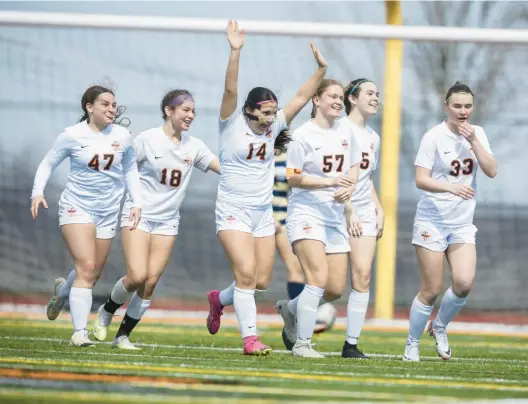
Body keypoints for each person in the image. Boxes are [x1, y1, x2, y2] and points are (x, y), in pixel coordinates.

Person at [205, 20, 329, 356]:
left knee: (258, 282)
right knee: (245, 274)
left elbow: (302, 98)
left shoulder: (274, 128)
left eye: (274, 113)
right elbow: (230, 90)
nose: (271, 118)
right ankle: (250, 339)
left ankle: (219, 299)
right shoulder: (231, 124)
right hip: (232, 210)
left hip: (262, 214)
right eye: (265, 113)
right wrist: (235, 51)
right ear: (249, 110)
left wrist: (321, 70)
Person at [90, 89, 220, 350]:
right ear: (168, 111)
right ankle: (106, 310)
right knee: (137, 275)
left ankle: (122, 336)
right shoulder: (147, 140)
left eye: (193, 111)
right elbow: (122, 168)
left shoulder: (194, 146)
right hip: (139, 215)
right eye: (185, 110)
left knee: (150, 282)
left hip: (167, 222)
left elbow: (224, 169)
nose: (190, 115)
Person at [31, 85, 142, 347]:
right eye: (105, 104)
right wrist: (37, 192)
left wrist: (137, 202)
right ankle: (79, 333)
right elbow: (48, 163)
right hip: (76, 207)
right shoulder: (72, 135)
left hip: (107, 212)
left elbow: (130, 170)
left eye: (114, 105)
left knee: (92, 274)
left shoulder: (123, 137)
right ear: (89, 107)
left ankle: (64, 290)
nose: (111, 109)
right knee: (86, 267)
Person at [403, 82, 497, 362]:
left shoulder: (477, 133)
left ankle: (440, 326)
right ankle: (412, 344)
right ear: (447, 106)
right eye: (457, 106)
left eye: (468, 106)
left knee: (463, 283)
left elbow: (491, 170)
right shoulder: (433, 137)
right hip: (432, 220)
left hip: (462, 224)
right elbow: (421, 179)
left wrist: (475, 143)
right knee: (431, 289)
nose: (463, 111)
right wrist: (450, 188)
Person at [276, 79, 362, 358]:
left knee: (335, 289)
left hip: (335, 215)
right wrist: (328, 183)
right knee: (317, 278)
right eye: (332, 96)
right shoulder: (302, 135)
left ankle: (290, 309)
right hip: (306, 212)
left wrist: (349, 191)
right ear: (316, 99)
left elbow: (353, 167)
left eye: (341, 97)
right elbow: (293, 176)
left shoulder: (347, 131)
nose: (338, 101)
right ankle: (302, 343)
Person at [338, 78, 383, 359]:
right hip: (335, 209)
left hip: (365, 210)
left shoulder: (373, 137)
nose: (376, 97)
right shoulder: (338, 130)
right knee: (330, 286)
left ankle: (350, 345)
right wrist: (348, 209)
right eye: (369, 93)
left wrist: (379, 207)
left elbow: (366, 179)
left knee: (362, 275)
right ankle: (292, 311)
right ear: (352, 99)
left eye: (377, 94)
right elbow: (336, 178)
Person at [273, 148, 337, 336]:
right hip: (272, 218)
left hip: (292, 217)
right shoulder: (265, 153)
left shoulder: (293, 155)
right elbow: (256, 185)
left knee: (300, 269)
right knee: (260, 275)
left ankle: (297, 313)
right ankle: (296, 315)